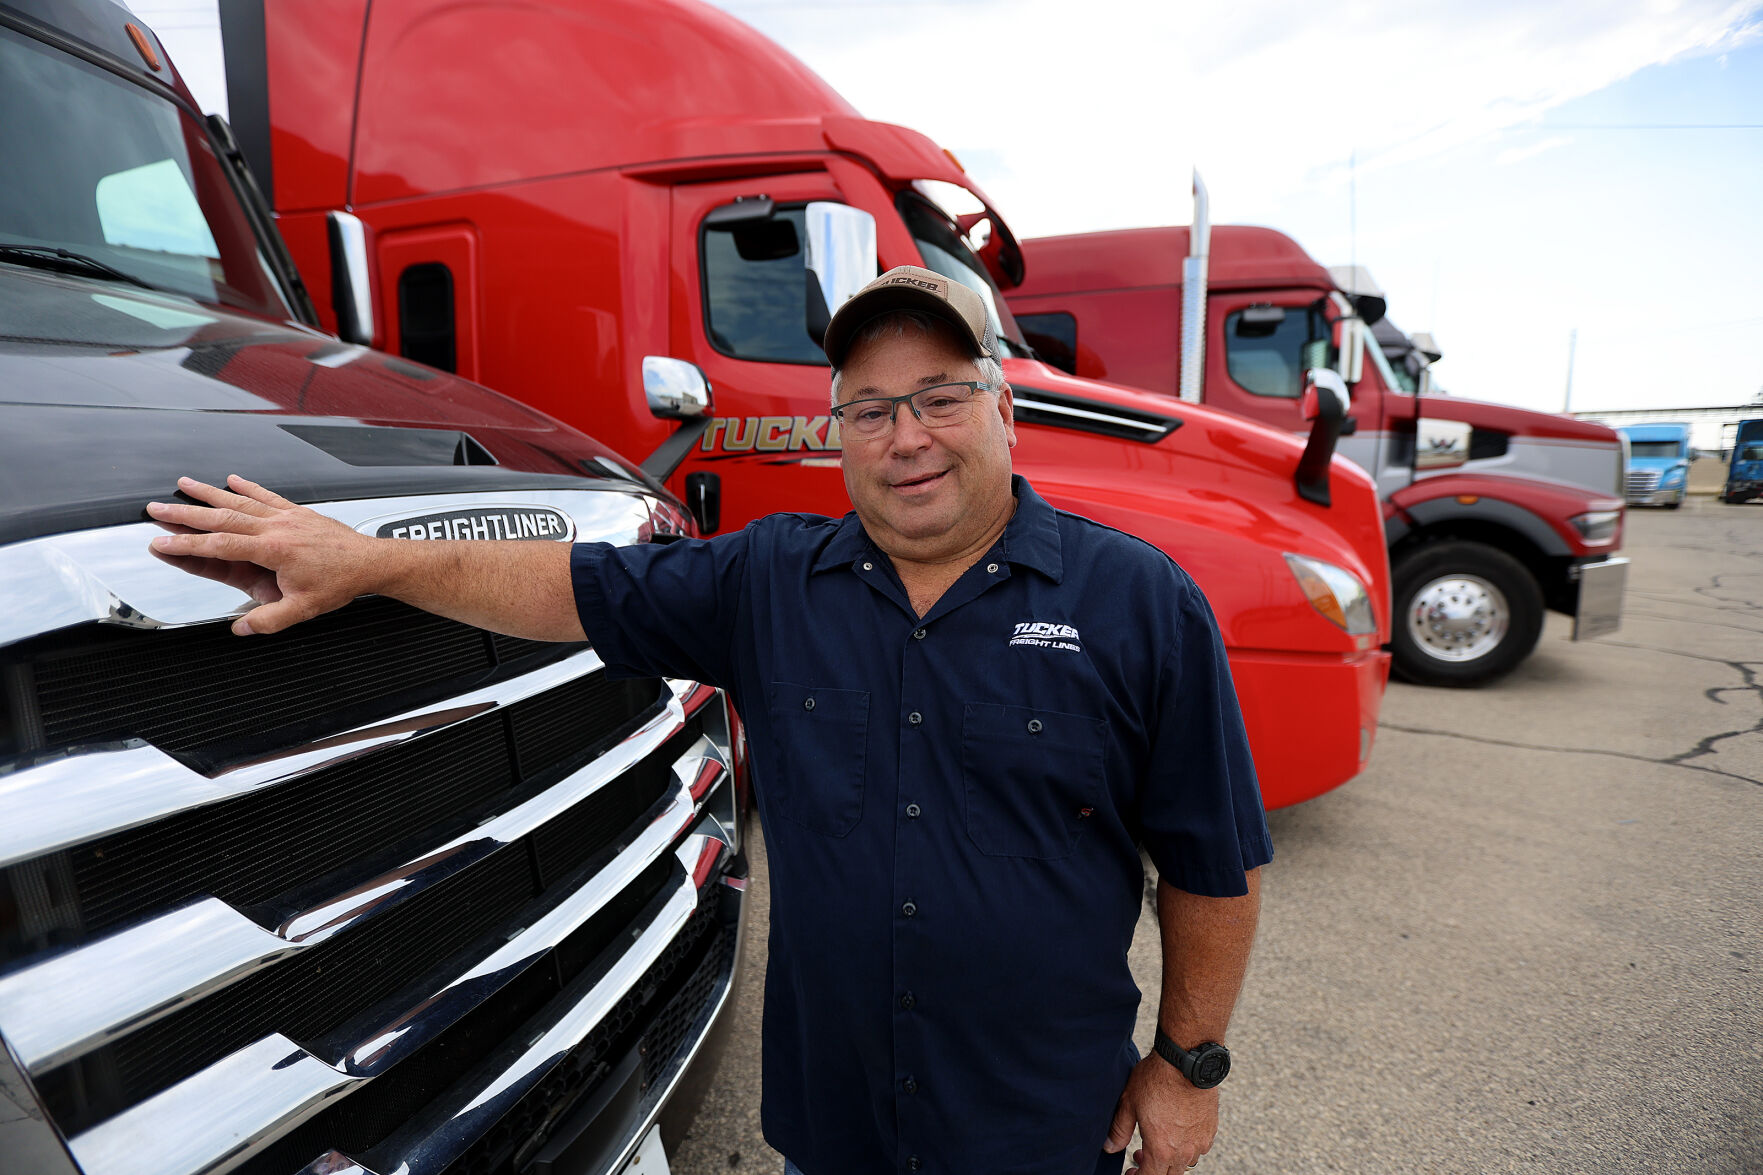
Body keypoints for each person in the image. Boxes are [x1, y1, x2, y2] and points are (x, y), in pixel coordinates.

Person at [145, 265, 1270, 1175]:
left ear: (1003, 409)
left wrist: (1184, 1067)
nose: (905, 436)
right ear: (837, 433)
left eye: (938, 396)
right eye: (869, 409)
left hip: (1036, 1133)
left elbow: (1211, 863)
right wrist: (365, 562)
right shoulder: (769, 579)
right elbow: (561, 584)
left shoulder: (1136, 602)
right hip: (835, 1133)